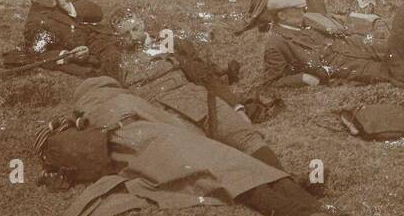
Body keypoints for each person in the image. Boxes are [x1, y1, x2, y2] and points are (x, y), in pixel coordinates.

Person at [47, 77, 383, 216]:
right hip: (167, 136)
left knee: (231, 184)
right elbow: (173, 124)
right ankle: (317, 208)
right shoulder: (129, 100)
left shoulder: (86, 118)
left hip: (143, 152)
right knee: (248, 168)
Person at [105, 13, 285, 166]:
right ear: (119, 38)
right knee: (204, 153)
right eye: (126, 34)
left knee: (243, 137)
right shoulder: (118, 60)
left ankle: (286, 179)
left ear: (143, 24)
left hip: (194, 98)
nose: (134, 37)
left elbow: (204, 76)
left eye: (135, 29)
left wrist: (236, 107)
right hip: (161, 112)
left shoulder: (170, 43)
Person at [262, 0, 391, 87]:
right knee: (392, 71)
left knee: (397, 48)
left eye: (302, 8)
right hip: (342, 66)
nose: (303, 12)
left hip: (352, 44)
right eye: (297, 10)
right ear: (282, 16)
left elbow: (337, 21)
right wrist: (302, 78)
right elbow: (271, 81)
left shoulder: (307, 18)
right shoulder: (276, 44)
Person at [21, 0, 118, 76]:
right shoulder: (35, 21)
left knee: (115, 58)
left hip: (96, 39)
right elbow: (37, 53)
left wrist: (66, 5)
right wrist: (68, 55)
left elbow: (97, 14)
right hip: (80, 54)